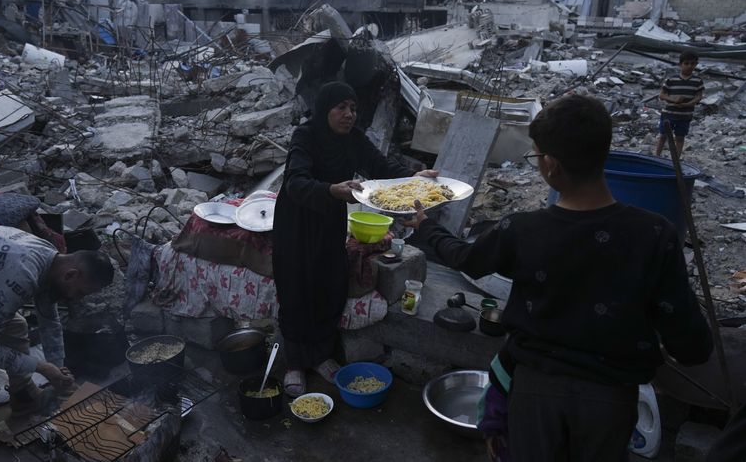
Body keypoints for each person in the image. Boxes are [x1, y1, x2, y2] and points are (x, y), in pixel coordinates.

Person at [405, 94, 713, 461]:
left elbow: (468, 259)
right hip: (612, 403)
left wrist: (427, 228)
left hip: (535, 396)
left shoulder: (523, 231)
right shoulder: (655, 235)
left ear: (550, 165)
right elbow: (693, 345)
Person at [273, 81, 437, 397]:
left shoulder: (353, 140)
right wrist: (330, 190)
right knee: (296, 289)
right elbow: (295, 182)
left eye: (353, 108)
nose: (349, 114)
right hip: (297, 224)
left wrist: (411, 177)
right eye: (341, 108)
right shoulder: (305, 137)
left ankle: (320, 355)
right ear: (325, 110)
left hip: (330, 222)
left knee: (328, 285)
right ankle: (295, 363)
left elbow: (381, 166)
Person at [0, 225, 114, 462]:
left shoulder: (50, 259)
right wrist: (41, 367)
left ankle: (23, 398)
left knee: (16, 325)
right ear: (70, 274)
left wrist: (57, 370)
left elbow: (49, 318)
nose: (76, 299)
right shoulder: (21, 272)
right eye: (80, 292)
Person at [655, 51, 704, 157]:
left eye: (692, 63)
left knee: (680, 137)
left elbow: (699, 97)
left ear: (696, 65)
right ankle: (657, 156)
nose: (689, 66)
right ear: (680, 64)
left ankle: (676, 159)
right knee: (663, 135)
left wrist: (688, 104)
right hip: (668, 114)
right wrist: (674, 100)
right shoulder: (671, 79)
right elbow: (662, 95)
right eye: (686, 63)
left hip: (685, 115)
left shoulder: (697, 81)